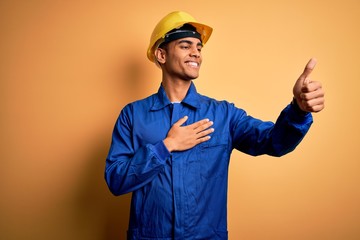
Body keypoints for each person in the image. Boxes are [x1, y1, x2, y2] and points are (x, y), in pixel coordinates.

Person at [105, 11, 325, 240]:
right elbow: (115, 180)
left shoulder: (223, 115)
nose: (196, 53)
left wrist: (298, 110)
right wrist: (166, 146)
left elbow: (273, 142)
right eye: (185, 45)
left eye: (199, 47)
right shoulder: (133, 115)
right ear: (161, 54)